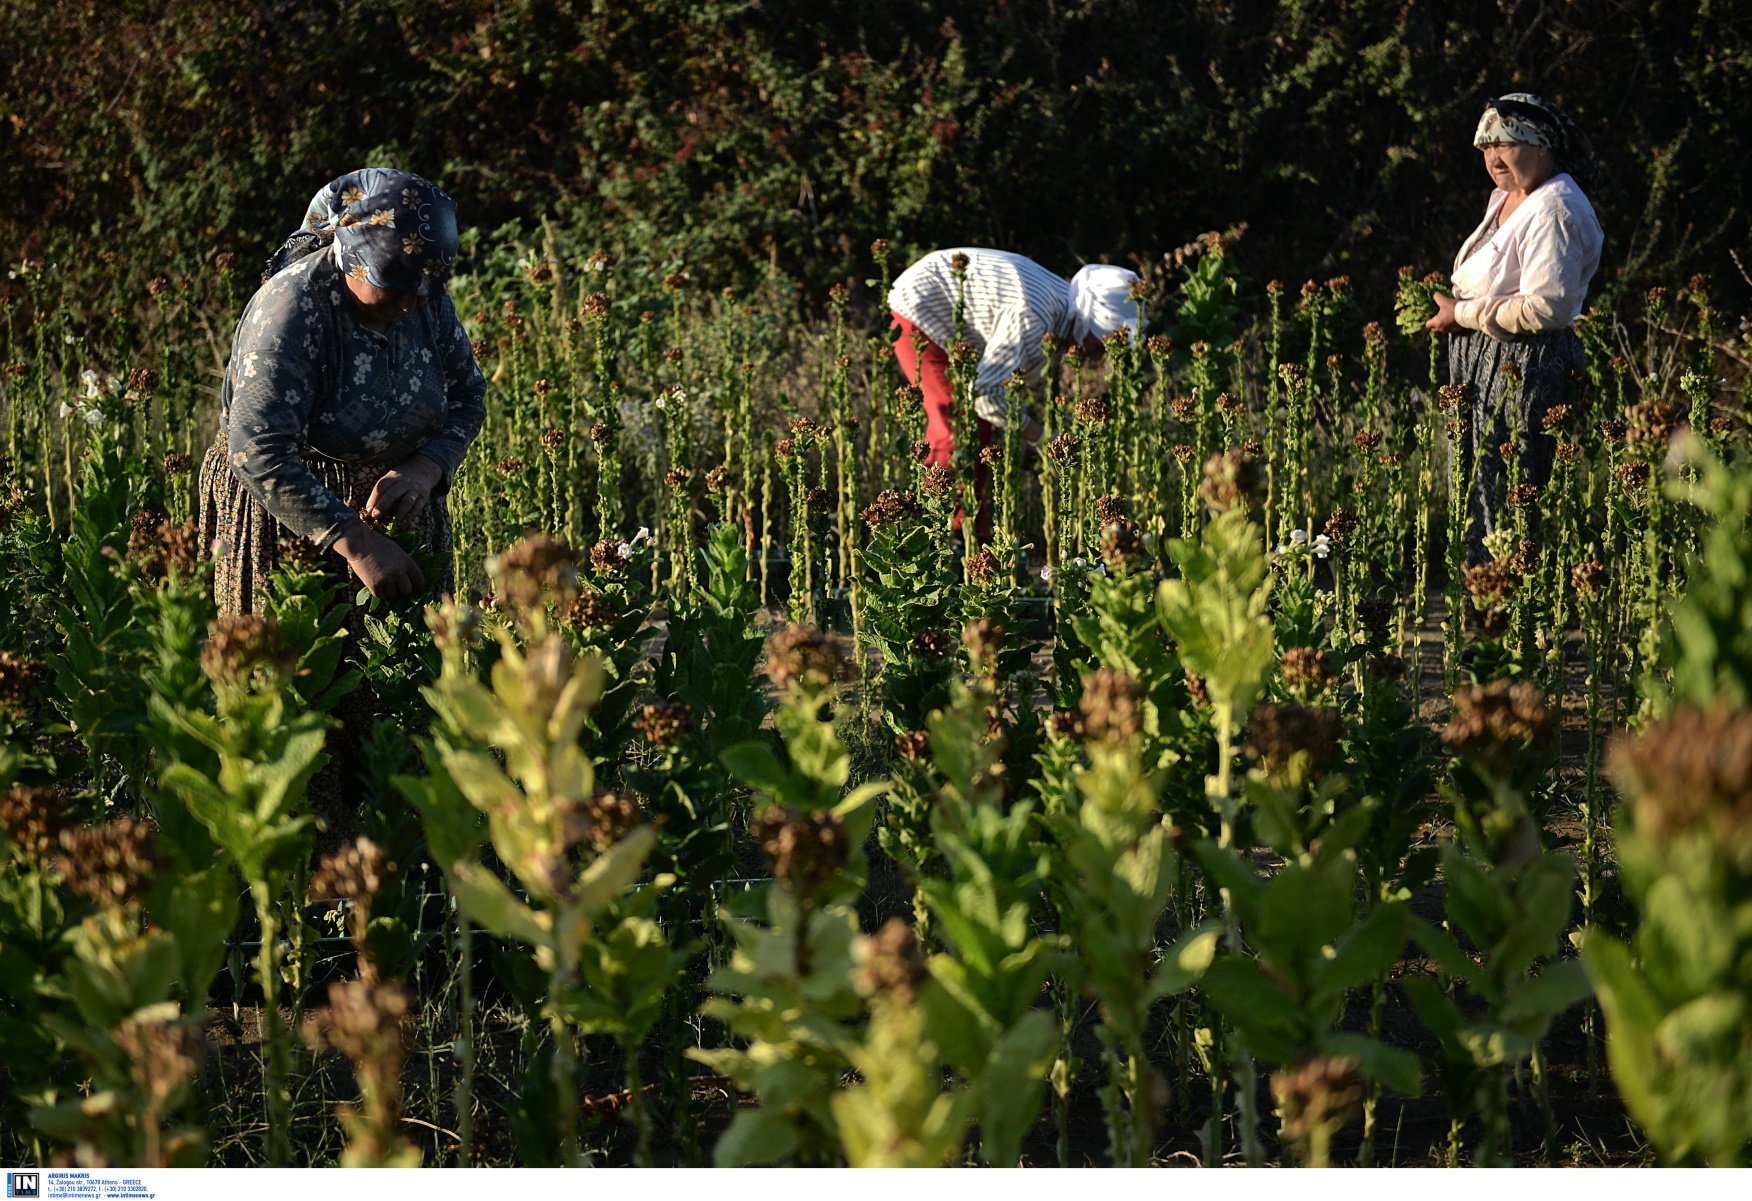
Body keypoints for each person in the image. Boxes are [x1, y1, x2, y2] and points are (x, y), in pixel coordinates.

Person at [198, 168, 487, 614]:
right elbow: (258, 449)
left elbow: (468, 395)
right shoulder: (293, 308)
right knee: (300, 671)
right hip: (293, 528)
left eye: (426, 289)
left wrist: (425, 469)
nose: (410, 303)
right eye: (393, 286)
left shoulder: (423, 297)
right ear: (355, 257)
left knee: (403, 674)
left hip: (400, 520)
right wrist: (357, 543)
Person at [1424, 93, 1603, 552]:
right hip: (1482, 360)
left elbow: (1548, 308)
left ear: (1541, 145)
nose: (1493, 158)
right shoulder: (1509, 197)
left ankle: (1508, 609)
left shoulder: (1555, 210)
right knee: (1476, 489)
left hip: (1523, 367)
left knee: (1510, 494)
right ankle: (1483, 601)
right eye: (1485, 148)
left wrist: (1461, 314)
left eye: (1505, 144)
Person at [886, 248, 1139, 524]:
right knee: (955, 426)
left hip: (946, 310)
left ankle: (971, 536)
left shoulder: (1065, 308)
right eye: (1102, 343)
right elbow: (983, 394)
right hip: (920, 310)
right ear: (1091, 322)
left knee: (976, 428)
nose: (1101, 354)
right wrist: (1041, 437)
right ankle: (938, 535)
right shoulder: (1034, 319)